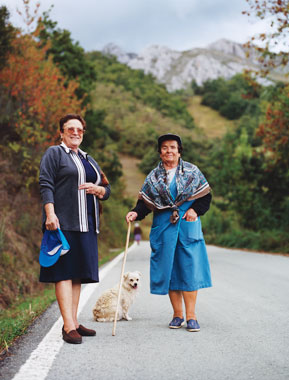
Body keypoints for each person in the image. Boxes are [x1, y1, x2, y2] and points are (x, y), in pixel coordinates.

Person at [125, 133, 212, 332]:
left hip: (186, 225)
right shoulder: (153, 177)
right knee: (171, 271)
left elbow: (206, 196)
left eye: (173, 147)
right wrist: (134, 213)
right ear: (160, 152)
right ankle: (177, 315)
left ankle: (191, 316)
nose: (169, 151)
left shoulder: (192, 171)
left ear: (179, 151)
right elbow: (144, 204)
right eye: (164, 147)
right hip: (164, 226)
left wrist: (194, 210)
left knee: (188, 270)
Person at [39, 114, 111, 344]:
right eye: (70, 129)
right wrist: (50, 213)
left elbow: (107, 189)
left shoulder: (89, 159)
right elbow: (46, 183)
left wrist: (98, 190)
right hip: (62, 222)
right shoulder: (54, 153)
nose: (75, 133)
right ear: (61, 132)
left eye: (79, 129)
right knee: (64, 272)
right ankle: (68, 326)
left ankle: (74, 321)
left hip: (87, 224)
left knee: (78, 273)